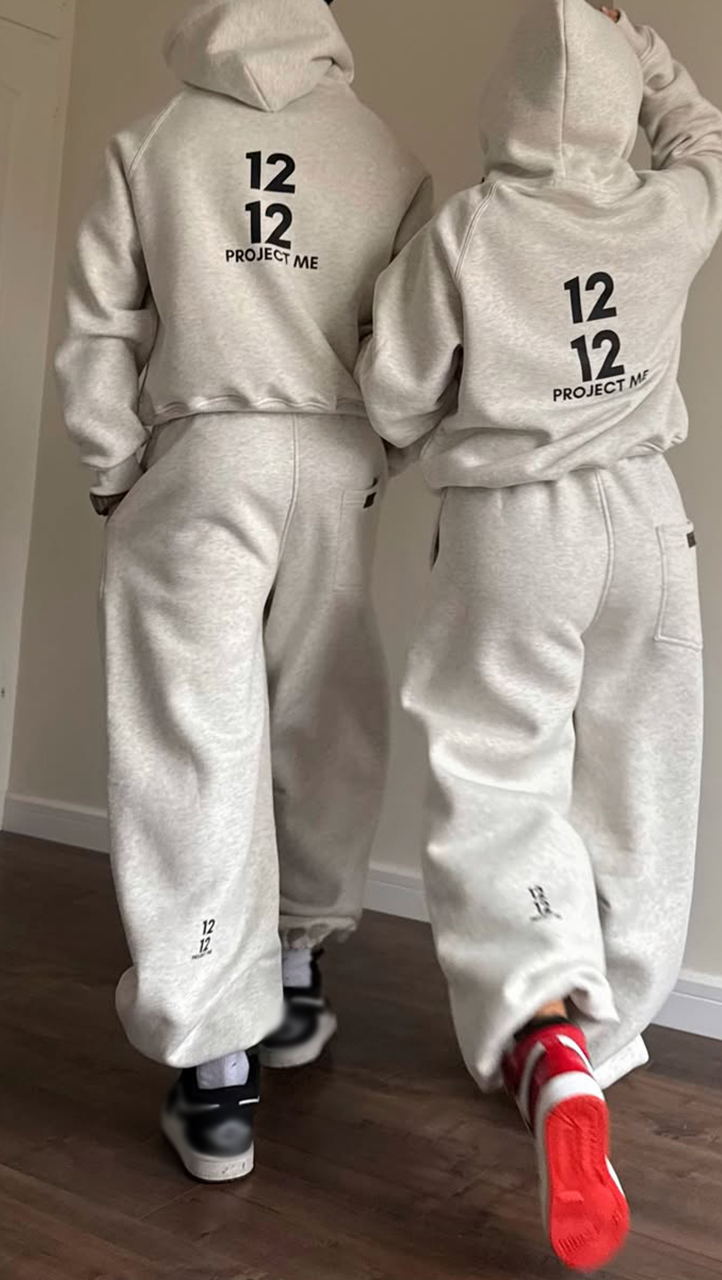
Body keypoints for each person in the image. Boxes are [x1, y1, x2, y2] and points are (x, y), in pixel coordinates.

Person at [359, 0, 722, 1269]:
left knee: (499, 770)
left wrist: (437, 426)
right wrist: (649, 52)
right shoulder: (666, 209)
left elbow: (393, 389)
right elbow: (712, 145)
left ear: (505, 103)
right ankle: (607, 1029)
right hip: (647, 517)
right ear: (620, 101)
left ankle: (546, 1027)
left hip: (515, 524)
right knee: (644, 773)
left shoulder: (473, 228)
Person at [56, 0, 430, 1184]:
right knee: (322, 714)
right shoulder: (382, 150)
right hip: (329, 459)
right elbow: (411, 346)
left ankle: (219, 1074)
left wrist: (114, 466)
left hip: (202, 454)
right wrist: (376, 451)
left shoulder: (153, 140)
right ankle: (299, 968)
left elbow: (100, 328)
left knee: (193, 744)